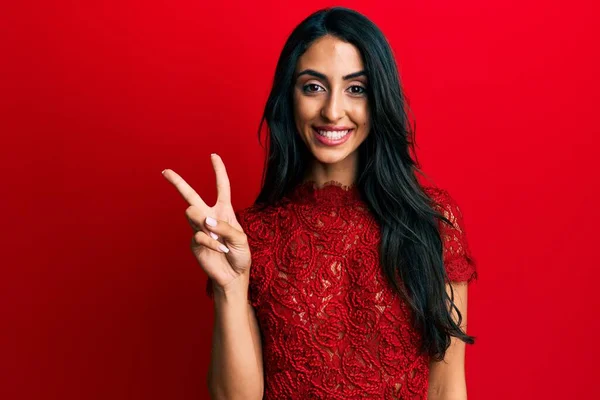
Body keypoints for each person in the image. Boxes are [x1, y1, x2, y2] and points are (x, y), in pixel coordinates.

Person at [162, 6, 478, 400]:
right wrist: (229, 285)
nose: (332, 111)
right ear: (288, 97)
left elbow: (447, 389)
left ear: (379, 99)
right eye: (313, 87)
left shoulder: (431, 221)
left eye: (356, 88)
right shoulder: (252, 237)